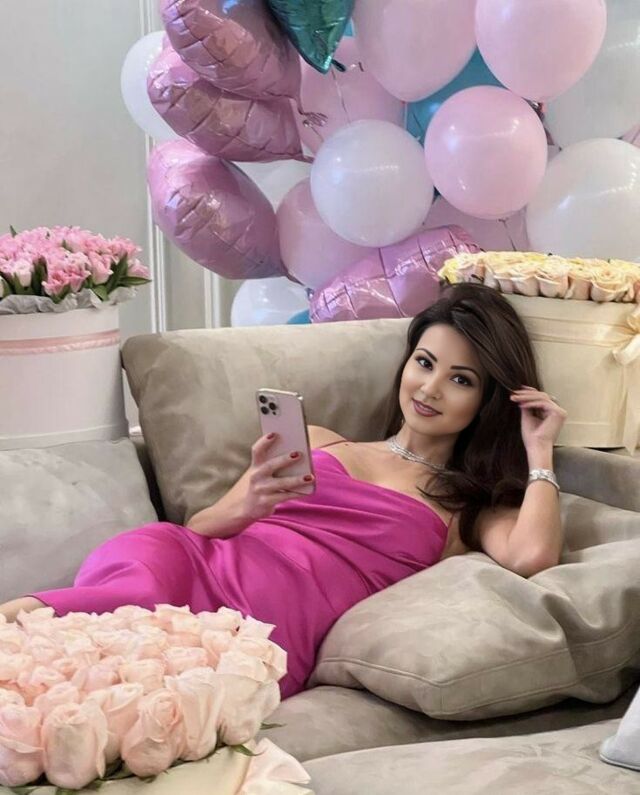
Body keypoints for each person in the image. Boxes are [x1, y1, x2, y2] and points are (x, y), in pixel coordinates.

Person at [0, 283, 567, 697]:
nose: (430, 387)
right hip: (188, 562)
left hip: (267, 624)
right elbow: (198, 530)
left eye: (461, 379)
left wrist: (539, 451)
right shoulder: (320, 439)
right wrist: (246, 502)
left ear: (487, 402)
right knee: (112, 605)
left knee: (121, 684)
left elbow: (533, 557)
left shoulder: (466, 507)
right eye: (424, 363)